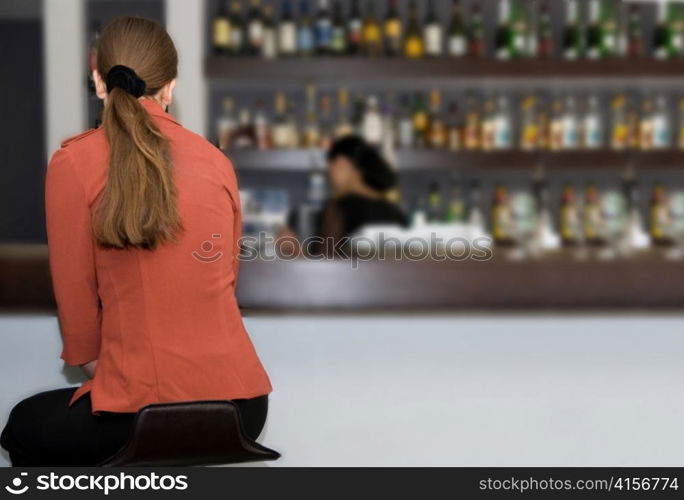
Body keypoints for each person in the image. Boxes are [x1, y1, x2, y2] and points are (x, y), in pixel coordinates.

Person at [0, 17, 272, 467]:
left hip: (142, 412)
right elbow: (223, 283)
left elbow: (77, 310)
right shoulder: (217, 161)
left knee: (21, 426)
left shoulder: (73, 163)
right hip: (242, 411)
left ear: (98, 80)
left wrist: (111, 374)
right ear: (170, 88)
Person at [284, 135, 408, 257]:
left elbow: (324, 269)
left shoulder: (339, 208)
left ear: (341, 163)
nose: (329, 176)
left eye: (330, 168)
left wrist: (294, 250)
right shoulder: (395, 212)